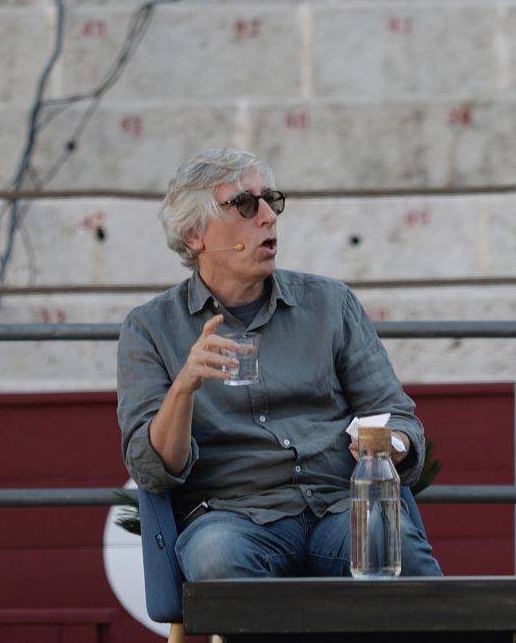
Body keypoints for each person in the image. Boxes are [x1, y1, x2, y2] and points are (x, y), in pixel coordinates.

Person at [118, 147, 441, 580]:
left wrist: (392, 444)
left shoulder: (330, 304)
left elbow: (396, 414)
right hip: (233, 517)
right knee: (217, 557)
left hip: (338, 507)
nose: (268, 216)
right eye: (246, 205)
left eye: (272, 201)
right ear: (195, 234)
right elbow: (152, 470)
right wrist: (185, 387)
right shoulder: (150, 328)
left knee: (393, 542)